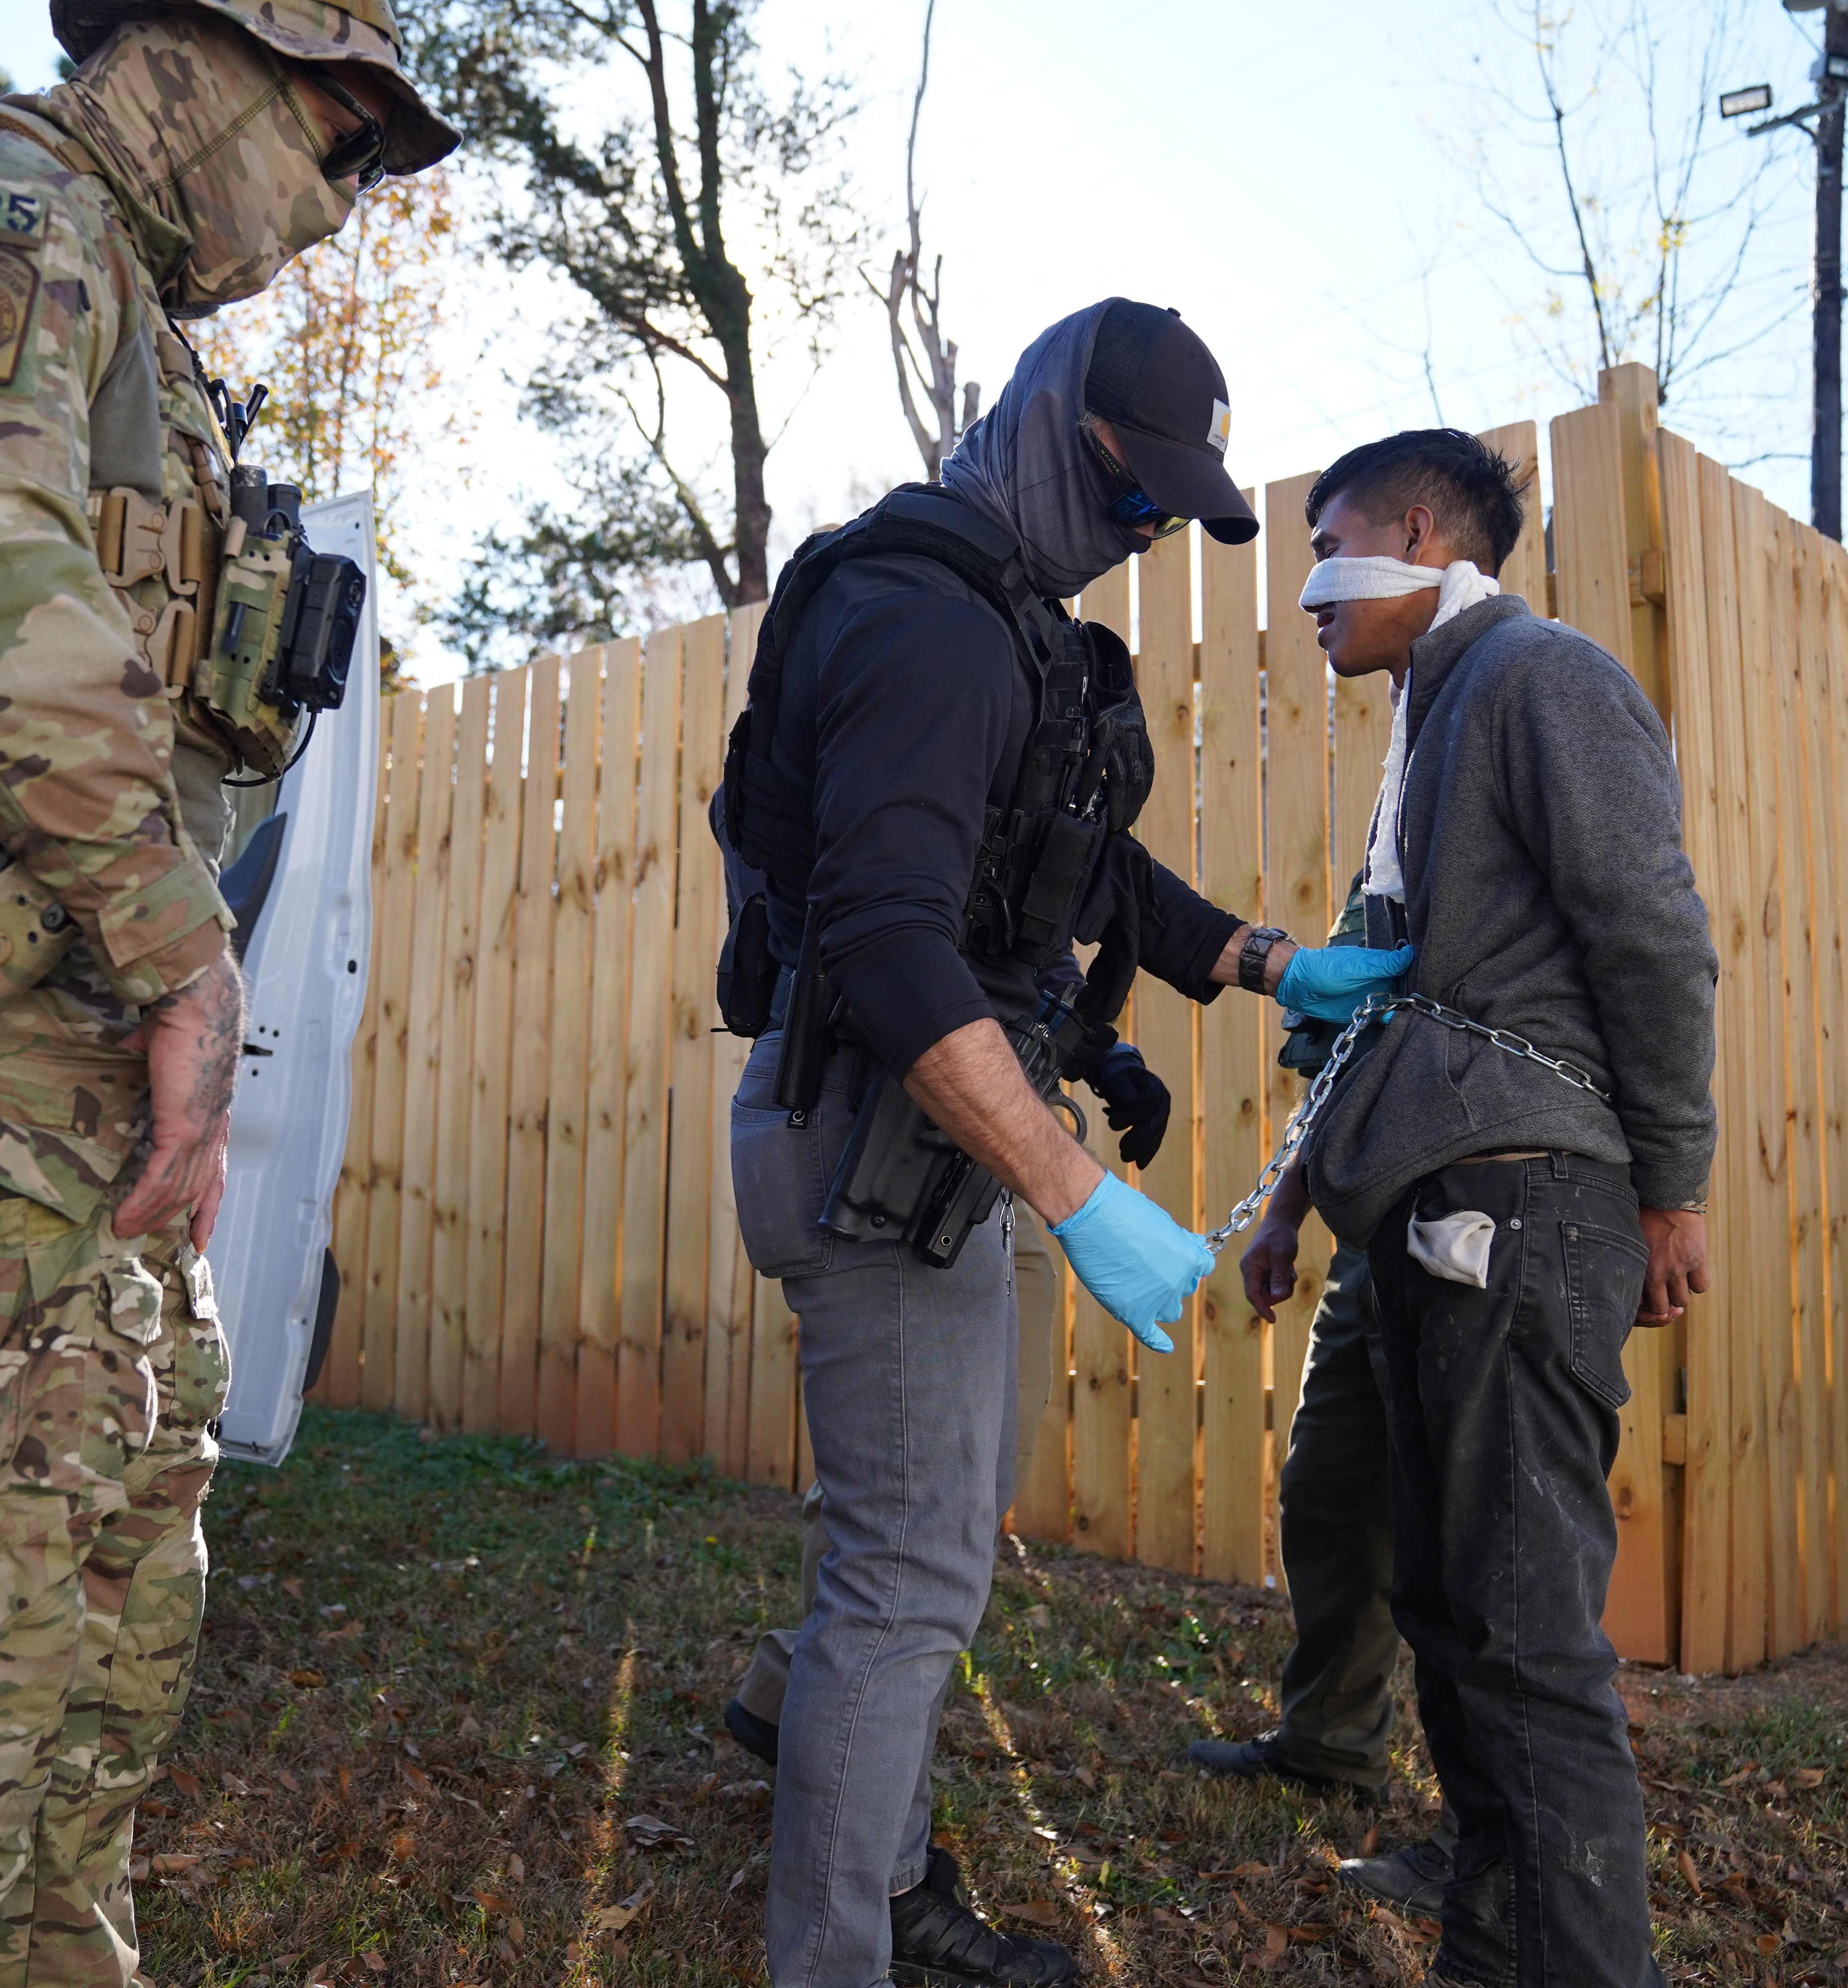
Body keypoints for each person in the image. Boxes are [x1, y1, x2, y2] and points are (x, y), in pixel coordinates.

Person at [0, 6, 456, 1982]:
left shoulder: (137, 317)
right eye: (338, 142)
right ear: (205, 47)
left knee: (81, 1680)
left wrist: (165, 1052)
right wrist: (183, 963)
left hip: (68, 1072)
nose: (339, 210)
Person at [716, 298, 1415, 1988]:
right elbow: (886, 943)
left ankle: (850, 1824)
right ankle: (842, 1948)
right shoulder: (928, 622)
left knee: (914, 1549)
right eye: (1130, 496)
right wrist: (1079, 1190)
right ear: (1046, 429)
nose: (1144, 535)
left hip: (944, 1150)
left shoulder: (1015, 632)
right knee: (910, 1580)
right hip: (886, 1151)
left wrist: (1254, 965)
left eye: (1169, 512)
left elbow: (1082, 867)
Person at [1288, 429, 1716, 1987]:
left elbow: (1655, 939)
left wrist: (1671, 1187)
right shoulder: (1430, 722)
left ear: (1416, 532)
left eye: (1326, 546)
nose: (1306, 591)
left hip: (1531, 1204)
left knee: (1527, 1629)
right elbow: (1373, 995)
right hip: (1433, 1199)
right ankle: (1498, 1922)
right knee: (1449, 1596)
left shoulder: (1544, 677)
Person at [720, 958, 1169, 1765]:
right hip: (899, 1130)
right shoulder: (868, 838)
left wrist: (1101, 1052)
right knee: (900, 1495)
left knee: (972, 1477)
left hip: (1003, 1149)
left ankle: (806, 1709)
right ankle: (838, 1743)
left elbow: (1027, 948)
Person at [1183, 876, 1455, 1917]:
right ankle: (1328, 1741)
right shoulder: (1386, 859)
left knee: (1468, 1527)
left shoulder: (1507, 793)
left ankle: (1494, 1829)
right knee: (1330, 1486)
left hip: (1486, 1204)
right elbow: (1340, 1059)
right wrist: (1283, 1214)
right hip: (1369, 1225)